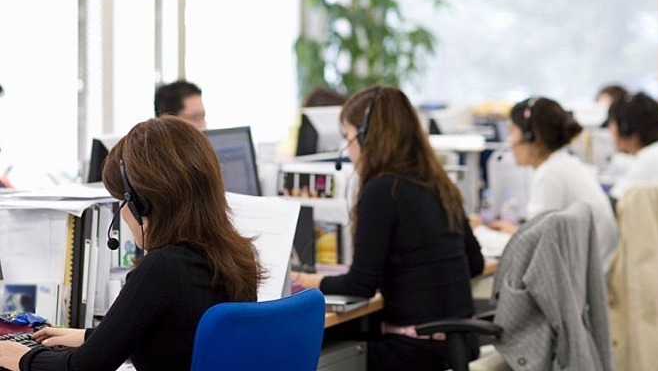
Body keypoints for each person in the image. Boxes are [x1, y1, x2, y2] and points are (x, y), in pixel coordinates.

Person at [0, 116, 262, 371]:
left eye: (122, 201)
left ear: (142, 204)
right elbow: (175, 335)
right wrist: (92, 337)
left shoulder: (164, 268)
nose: (122, 212)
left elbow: (82, 367)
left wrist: (20, 357)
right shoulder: (235, 256)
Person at [294, 85, 485, 371]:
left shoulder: (382, 190)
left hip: (415, 353)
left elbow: (360, 287)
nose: (348, 150)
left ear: (366, 137)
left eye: (348, 137)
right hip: (458, 347)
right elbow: (475, 263)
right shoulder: (439, 183)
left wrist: (305, 280)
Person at [490, 96, 618, 272]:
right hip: (590, 270)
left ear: (531, 136)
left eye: (512, 132)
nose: (509, 142)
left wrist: (485, 232)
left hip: (581, 274)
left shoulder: (550, 174)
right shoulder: (564, 163)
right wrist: (513, 230)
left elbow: (533, 245)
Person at [607, 91, 658, 200]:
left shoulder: (650, 157)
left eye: (611, 124)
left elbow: (615, 201)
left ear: (626, 129)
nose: (609, 131)